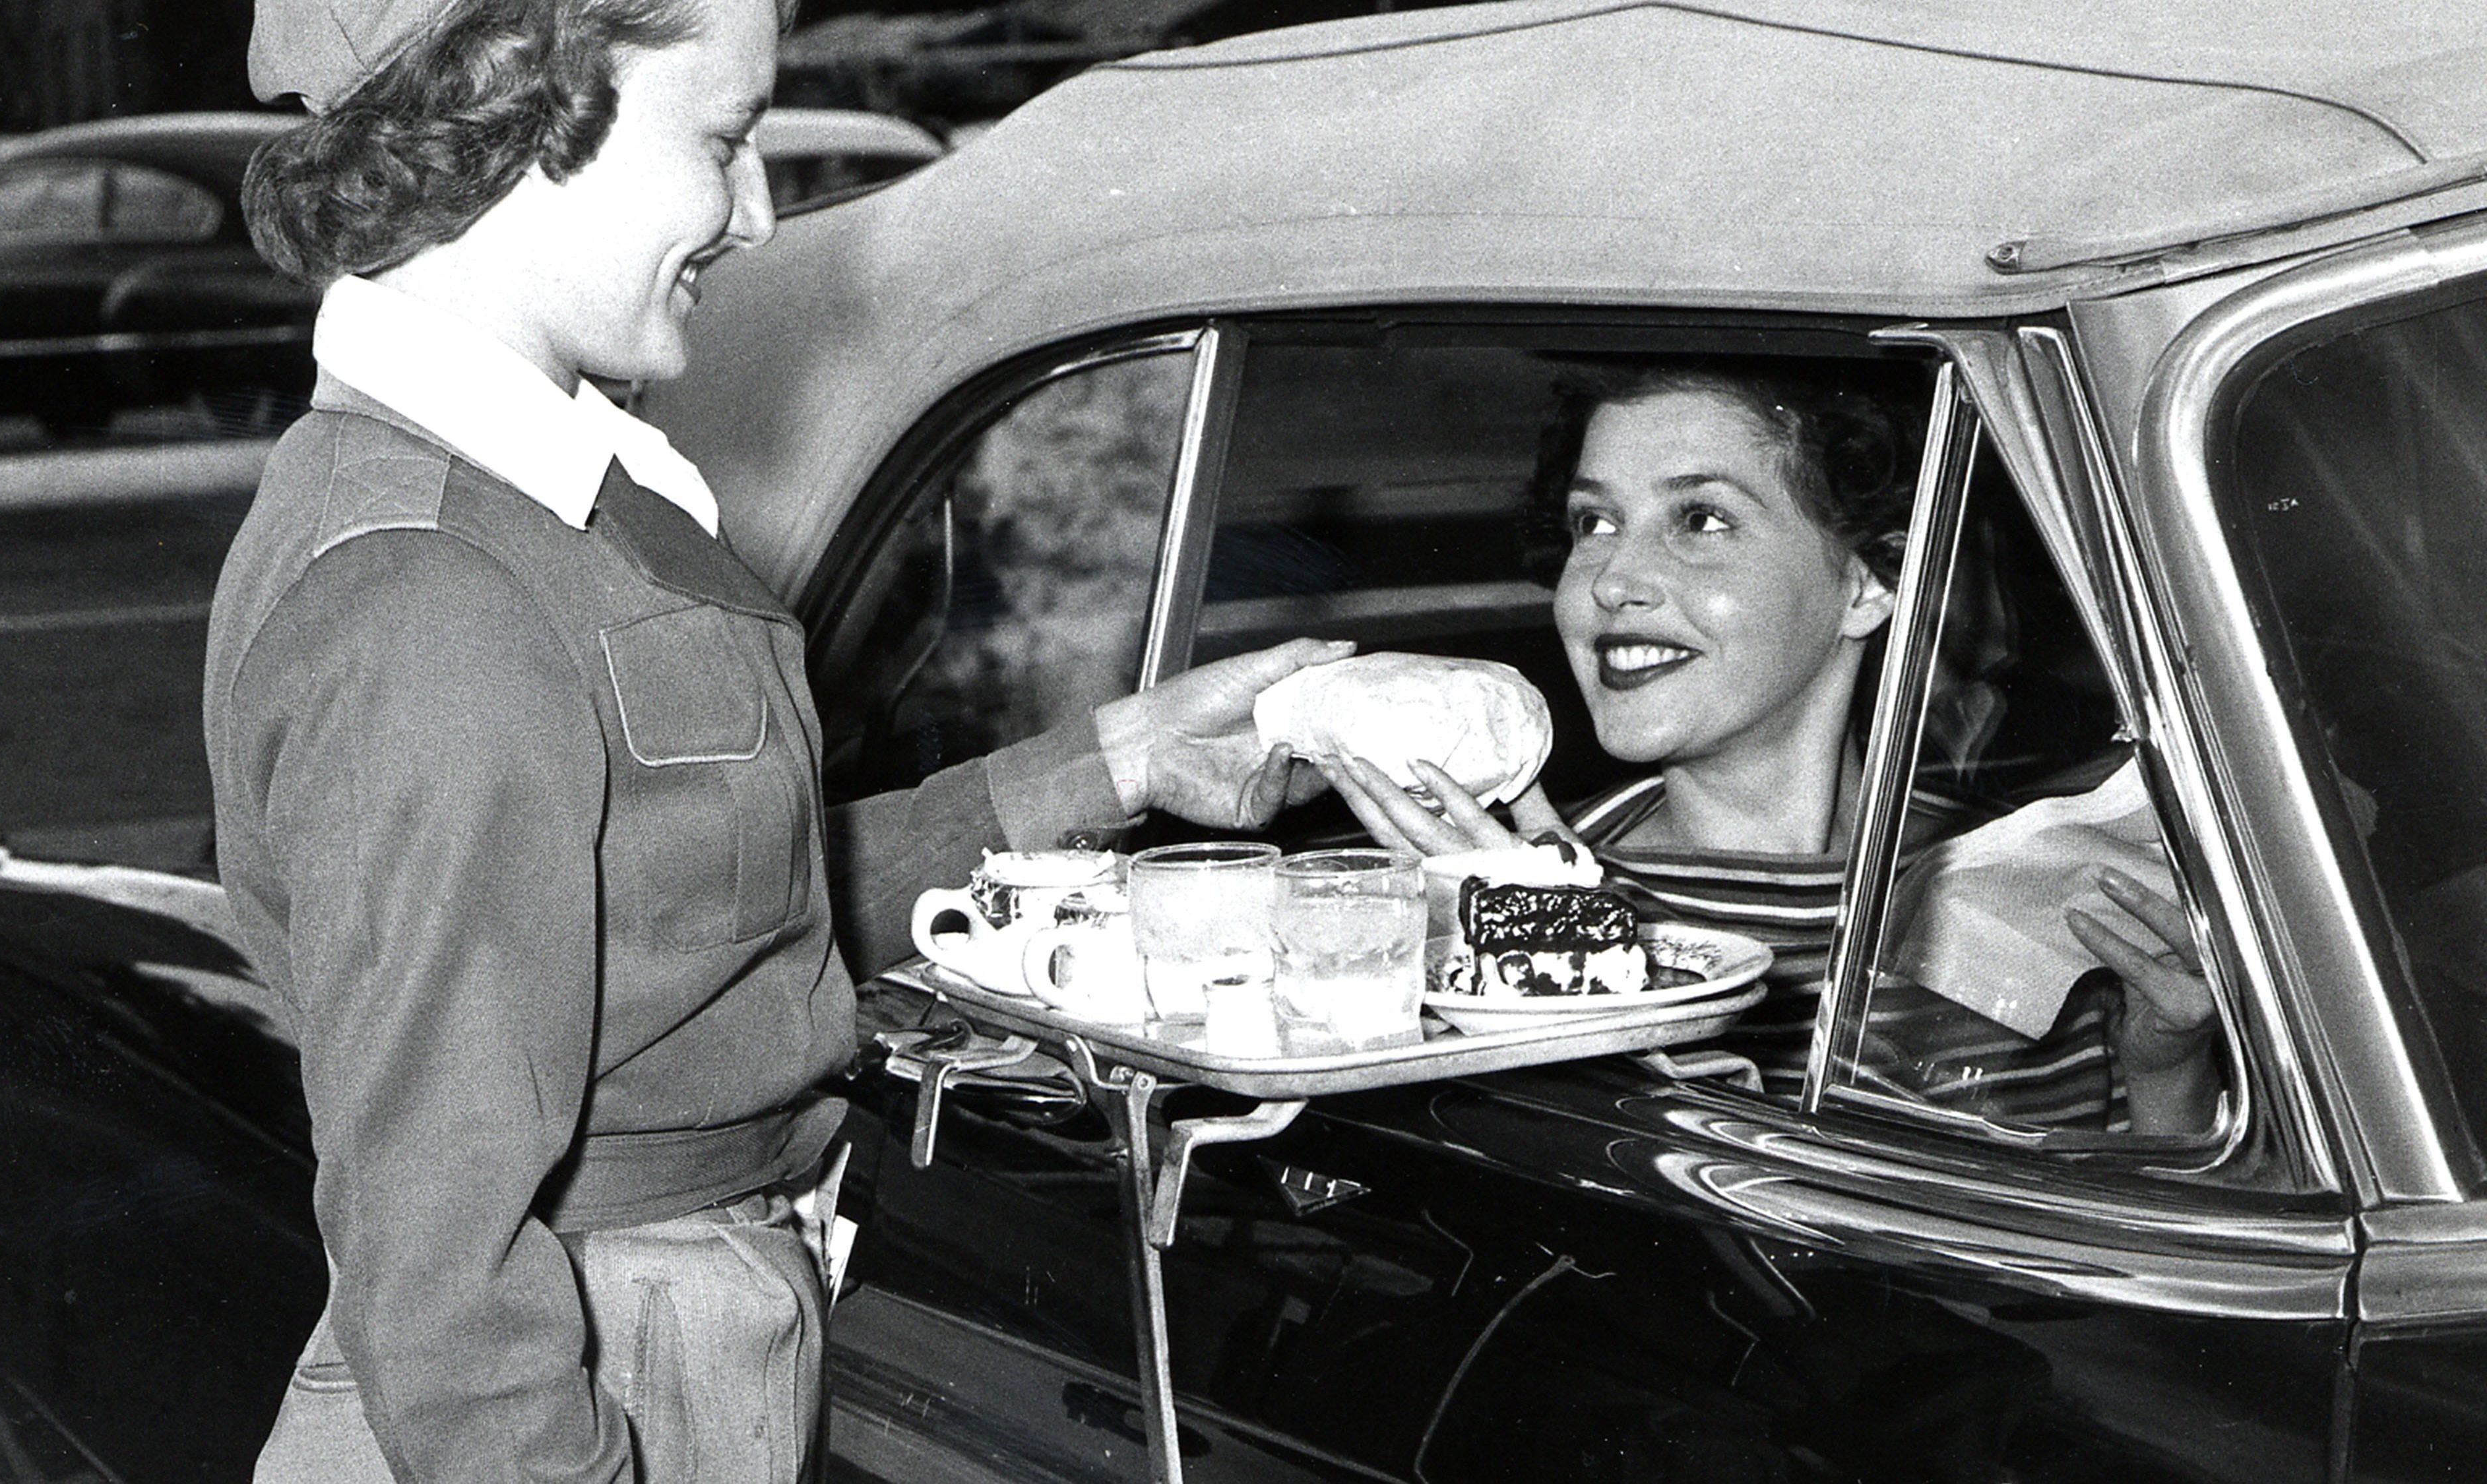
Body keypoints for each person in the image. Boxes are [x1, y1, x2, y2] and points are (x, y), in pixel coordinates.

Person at [210, 1, 1344, 1479]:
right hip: (568, 1377)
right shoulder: (433, 586)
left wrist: (1111, 763)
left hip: (648, 1325)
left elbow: (695, 925)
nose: (754, 216)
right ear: (518, 106)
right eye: (723, 140)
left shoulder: (535, 502)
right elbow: (437, 1263)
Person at [1325, 357, 2223, 1134]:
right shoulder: (1481, 899)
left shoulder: (2019, 878)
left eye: (1699, 520)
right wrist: (1544, 975)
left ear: (1870, 583)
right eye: (1593, 523)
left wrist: (2165, 1071)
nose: (1612, 580)